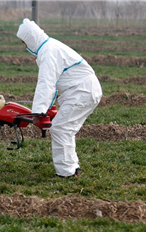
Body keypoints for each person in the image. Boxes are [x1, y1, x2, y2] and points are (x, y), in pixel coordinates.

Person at [17, 18, 102, 178]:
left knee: (60, 128)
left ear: (31, 39)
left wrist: (39, 113)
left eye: (25, 42)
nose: (26, 47)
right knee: (65, 129)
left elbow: (46, 83)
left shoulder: (48, 52)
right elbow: (54, 85)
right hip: (84, 90)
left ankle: (66, 173)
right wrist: (45, 109)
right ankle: (72, 168)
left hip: (83, 91)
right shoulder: (49, 47)